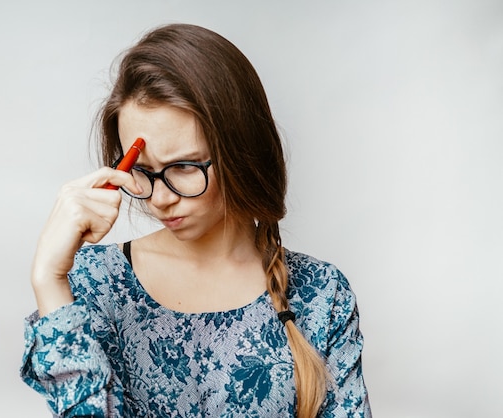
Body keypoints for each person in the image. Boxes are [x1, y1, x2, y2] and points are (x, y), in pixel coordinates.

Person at [20, 23, 371, 418]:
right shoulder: (95, 285)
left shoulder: (321, 294)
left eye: (184, 166)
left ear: (241, 151)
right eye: (143, 170)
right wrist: (48, 281)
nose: (160, 198)